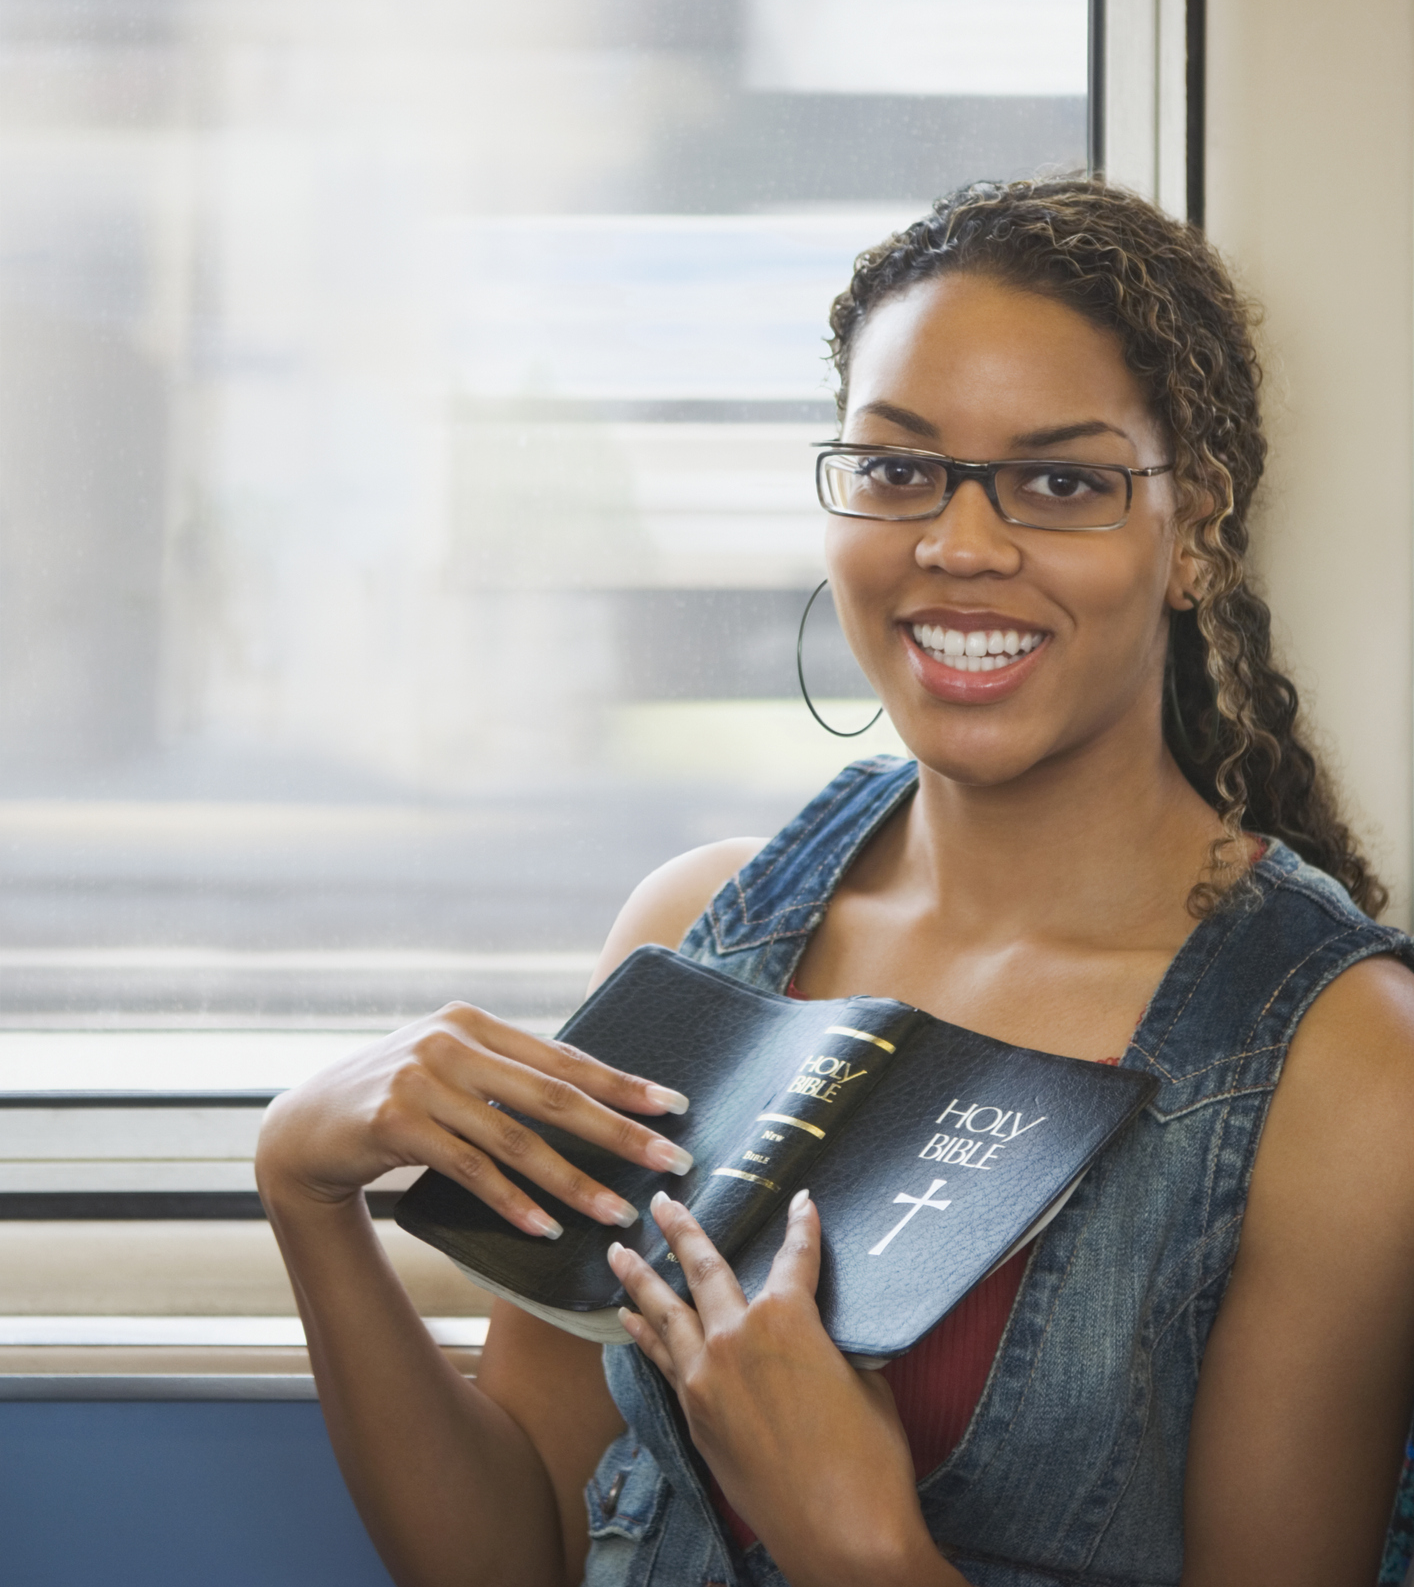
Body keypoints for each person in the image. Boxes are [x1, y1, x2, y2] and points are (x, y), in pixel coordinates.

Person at [256, 178, 1414, 1587]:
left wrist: (855, 1539)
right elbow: (517, 1554)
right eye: (897, 467)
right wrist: (304, 1193)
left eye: (1060, 480)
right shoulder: (696, 933)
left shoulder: (1343, 1064)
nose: (961, 545)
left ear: (1198, 531)